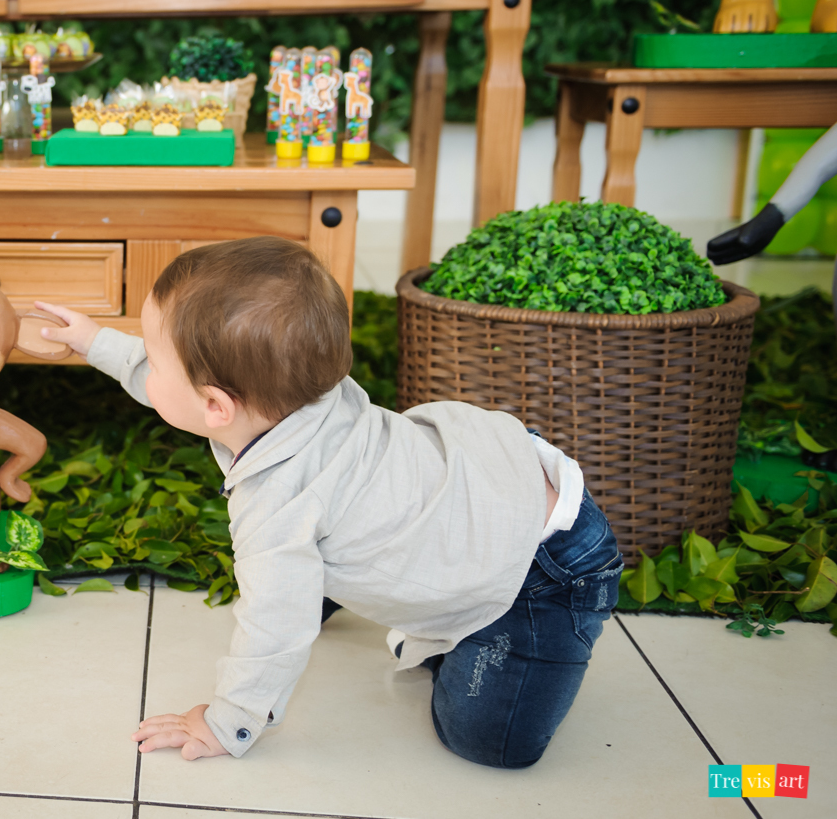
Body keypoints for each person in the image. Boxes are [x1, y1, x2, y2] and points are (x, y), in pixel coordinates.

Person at [33, 237, 622, 769]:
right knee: (329, 540)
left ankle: (481, 625)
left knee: (486, 743)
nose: (147, 368)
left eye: (154, 362)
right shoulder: (296, 389)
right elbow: (177, 385)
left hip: (542, 572)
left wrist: (228, 722)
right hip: (492, 479)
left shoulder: (278, 506)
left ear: (217, 407)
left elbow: (274, 630)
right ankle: (416, 590)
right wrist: (93, 342)